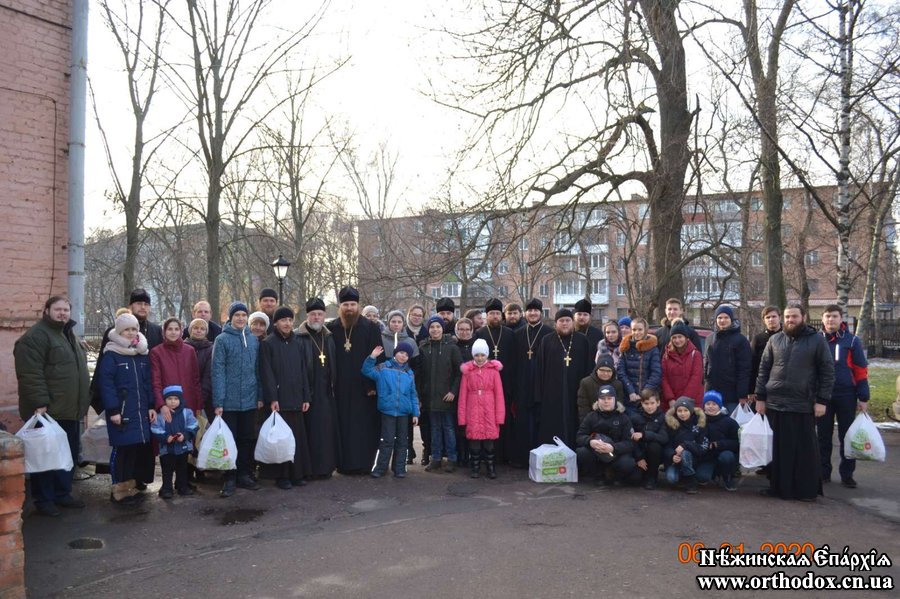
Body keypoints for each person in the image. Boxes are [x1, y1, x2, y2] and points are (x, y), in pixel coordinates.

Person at [14, 296, 91, 516]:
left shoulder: (67, 334)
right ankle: (44, 499)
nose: (63, 313)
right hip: (48, 410)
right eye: (58, 309)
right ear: (46, 310)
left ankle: (62, 493)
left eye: (66, 309)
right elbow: (30, 373)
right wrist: (40, 402)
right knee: (45, 455)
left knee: (64, 455)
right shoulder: (35, 337)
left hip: (69, 408)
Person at [755, 304, 834, 502]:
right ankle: (778, 488)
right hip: (775, 403)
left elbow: (827, 371)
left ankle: (805, 491)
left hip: (802, 404)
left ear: (803, 317)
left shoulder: (816, 340)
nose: (790, 320)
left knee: (803, 450)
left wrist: (822, 401)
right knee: (779, 450)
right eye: (788, 316)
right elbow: (763, 370)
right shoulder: (775, 340)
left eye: (794, 316)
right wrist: (760, 397)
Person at [98, 313, 155, 504]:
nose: (131, 333)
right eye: (127, 329)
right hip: (121, 411)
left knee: (134, 450)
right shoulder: (112, 354)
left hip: (139, 411)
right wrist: (113, 410)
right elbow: (106, 384)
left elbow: (147, 383)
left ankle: (129, 487)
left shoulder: (141, 353)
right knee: (121, 450)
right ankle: (118, 490)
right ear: (119, 331)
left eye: (134, 329)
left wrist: (151, 406)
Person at [327, 286, 383, 475]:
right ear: (340, 306)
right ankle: (342, 464)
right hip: (340, 387)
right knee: (342, 425)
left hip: (364, 388)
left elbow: (379, 360)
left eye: (352, 304)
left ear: (358, 306)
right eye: (345, 304)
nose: (349, 308)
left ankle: (364, 464)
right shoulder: (332, 328)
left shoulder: (371, 328)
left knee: (363, 426)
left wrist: (372, 385)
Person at [259, 306, 313, 489]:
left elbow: (303, 370)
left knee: (297, 437)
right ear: (276, 323)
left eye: (290, 320)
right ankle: (282, 476)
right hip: (279, 401)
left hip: (297, 398)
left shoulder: (298, 342)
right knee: (281, 439)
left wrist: (306, 396)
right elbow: (267, 373)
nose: (287, 323)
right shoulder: (268, 343)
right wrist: (273, 398)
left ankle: (297, 474)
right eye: (283, 320)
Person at [212, 302, 263, 497]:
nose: (241, 318)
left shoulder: (253, 340)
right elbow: (218, 371)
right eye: (237, 315)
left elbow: (257, 370)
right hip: (229, 402)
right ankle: (229, 477)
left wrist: (260, 395)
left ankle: (244, 473)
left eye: (243, 315)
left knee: (246, 439)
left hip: (249, 400)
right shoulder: (222, 340)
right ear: (231, 318)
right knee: (229, 440)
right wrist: (219, 401)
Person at [818, 304, 869, 488]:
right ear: (823, 319)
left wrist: (863, 397)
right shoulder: (816, 340)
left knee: (847, 436)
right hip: (822, 396)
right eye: (827, 316)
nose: (830, 320)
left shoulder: (852, 341)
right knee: (822, 437)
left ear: (841, 319)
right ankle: (823, 472)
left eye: (834, 316)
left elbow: (861, 370)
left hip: (846, 395)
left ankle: (847, 474)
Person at [534, 309, 593, 447]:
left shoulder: (582, 340)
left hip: (576, 391)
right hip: (551, 393)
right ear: (556, 324)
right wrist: (539, 395)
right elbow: (540, 369)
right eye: (561, 321)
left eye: (568, 320)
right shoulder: (547, 340)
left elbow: (588, 367)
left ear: (573, 323)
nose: (565, 324)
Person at [362, 342, 419, 478]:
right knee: (386, 441)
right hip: (388, 410)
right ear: (395, 353)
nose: (403, 356)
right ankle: (380, 468)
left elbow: (413, 394)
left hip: (403, 412)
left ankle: (399, 468)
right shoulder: (383, 368)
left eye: (406, 355)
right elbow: (366, 371)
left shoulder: (409, 373)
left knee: (402, 441)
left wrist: (416, 413)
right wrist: (372, 357)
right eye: (401, 353)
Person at [298, 298, 340, 478]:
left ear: (324, 316)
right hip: (308, 392)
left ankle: (325, 468)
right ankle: (311, 470)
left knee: (325, 432)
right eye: (313, 314)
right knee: (310, 433)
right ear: (307, 315)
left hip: (326, 392)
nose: (316, 317)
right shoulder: (298, 336)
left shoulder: (328, 336)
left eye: (320, 314)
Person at [474, 298, 518, 463]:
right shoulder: (480, 334)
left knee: (503, 418)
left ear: (502, 316)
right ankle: (487, 455)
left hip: (505, 384)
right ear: (487, 315)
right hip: (484, 387)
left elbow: (514, 360)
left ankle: (503, 455)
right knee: (486, 419)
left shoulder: (510, 334)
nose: (494, 316)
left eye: (497, 313)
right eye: (491, 313)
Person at [418, 316, 462, 472]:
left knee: (449, 428)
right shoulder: (423, 347)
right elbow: (420, 374)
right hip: (430, 397)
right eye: (432, 327)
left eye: (438, 326)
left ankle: (452, 459)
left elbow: (459, 373)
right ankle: (435, 458)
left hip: (447, 397)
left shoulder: (452, 347)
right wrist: (420, 397)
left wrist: (453, 391)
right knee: (434, 428)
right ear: (428, 329)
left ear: (443, 328)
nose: (435, 330)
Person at [458, 339, 506, 479]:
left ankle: (491, 468)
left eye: (482, 355)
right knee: (474, 441)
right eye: (477, 355)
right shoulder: (468, 372)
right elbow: (462, 396)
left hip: (489, 410)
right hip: (472, 410)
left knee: (489, 441)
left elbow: (499, 395)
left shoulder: (494, 371)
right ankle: (475, 468)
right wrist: (462, 417)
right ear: (473, 355)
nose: (480, 358)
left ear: (487, 355)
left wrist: (499, 416)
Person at [513, 298, 552, 462]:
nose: (533, 313)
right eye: (530, 310)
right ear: (525, 313)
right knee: (522, 423)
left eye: (536, 310)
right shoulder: (518, 334)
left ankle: (539, 459)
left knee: (540, 422)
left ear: (540, 313)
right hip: (522, 384)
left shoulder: (549, 333)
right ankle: (522, 458)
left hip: (542, 384)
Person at [575, 385, 635, 486]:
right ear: (598, 400)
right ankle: (598, 475)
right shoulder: (591, 416)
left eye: (609, 398)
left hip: (615, 454)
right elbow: (579, 436)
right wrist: (590, 442)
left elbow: (630, 443)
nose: (606, 401)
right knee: (581, 453)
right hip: (597, 453)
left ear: (615, 400)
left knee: (628, 463)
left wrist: (613, 447)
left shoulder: (623, 418)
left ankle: (616, 476)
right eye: (602, 398)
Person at [151, 385, 199, 499]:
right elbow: (155, 428)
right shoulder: (160, 415)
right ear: (165, 400)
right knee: (167, 470)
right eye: (169, 399)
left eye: (176, 399)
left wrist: (185, 435)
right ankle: (167, 488)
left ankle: (182, 487)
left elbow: (194, 425)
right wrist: (165, 437)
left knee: (182, 469)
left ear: (181, 399)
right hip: (166, 450)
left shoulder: (187, 412)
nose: (173, 402)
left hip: (183, 448)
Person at [150, 318, 202, 418]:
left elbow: (195, 380)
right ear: (164, 332)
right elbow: (156, 381)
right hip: (169, 405)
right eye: (170, 329)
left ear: (181, 332)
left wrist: (198, 405)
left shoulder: (190, 350)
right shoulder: (156, 352)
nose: (173, 332)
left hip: (189, 403)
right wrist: (161, 404)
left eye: (176, 329)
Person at [704, 305, 752, 415]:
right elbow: (706, 364)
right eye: (720, 318)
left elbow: (744, 369)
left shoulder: (740, 340)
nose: (722, 320)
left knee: (732, 426)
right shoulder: (710, 338)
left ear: (731, 319)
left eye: (726, 317)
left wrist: (742, 394)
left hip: (732, 394)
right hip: (713, 392)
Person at [616, 318, 662, 414]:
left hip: (647, 398)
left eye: (640, 329)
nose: (637, 333)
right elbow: (621, 371)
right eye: (634, 330)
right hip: (629, 396)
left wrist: (645, 392)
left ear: (645, 330)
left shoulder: (653, 349)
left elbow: (656, 373)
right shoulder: (625, 348)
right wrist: (631, 391)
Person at [695, 390, 739, 491]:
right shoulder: (698, 420)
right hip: (706, 456)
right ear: (704, 406)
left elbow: (737, 443)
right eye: (708, 404)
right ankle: (714, 473)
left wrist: (719, 444)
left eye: (714, 404)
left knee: (727, 457)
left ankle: (728, 477)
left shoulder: (730, 422)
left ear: (720, 405)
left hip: (723, 453)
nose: (711, 406)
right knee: (702, 478)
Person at [664, 396, 708, 494]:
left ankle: (690, 479)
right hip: (676, 461)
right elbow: (666, 445)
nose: (683, 414)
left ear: (691, 411)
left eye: (686, 410)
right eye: (680, 411)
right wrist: (672, 456)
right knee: (671, 479)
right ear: (676, 411)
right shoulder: (671, 424)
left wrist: (685, 445)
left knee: (685, 453)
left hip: (694, 459)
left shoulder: (700, 424)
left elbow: (703, 448)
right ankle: (682, 475)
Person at [629, 390, 668, 489]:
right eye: (646, 403)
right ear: (642, 403)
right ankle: (642, 473)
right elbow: (630, 439)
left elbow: (664, 438)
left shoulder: (663, 418)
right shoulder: (634, 417)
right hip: (639, 453)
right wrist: (639, 457)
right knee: (634, 479)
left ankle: (652, 476)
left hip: (655, 454)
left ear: (658, 403)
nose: (649, 406)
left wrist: (644, 435)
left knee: (654, 446)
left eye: (652, 403)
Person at [661, 320, 704, 409]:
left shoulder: (695, 354)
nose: (677, 340)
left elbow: (696, 378)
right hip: (671, 403)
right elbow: (663, 377)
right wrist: (670, 398)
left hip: (691, 402)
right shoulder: (666, 355)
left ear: (686, 338)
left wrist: (683, 400)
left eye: (680, 337)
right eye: (674, 337)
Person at [577, 354, 625, 421]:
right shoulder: (586, 383)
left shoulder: (618, 384)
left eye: (608, 371)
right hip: (592, 422)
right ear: (596, 370)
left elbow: (619, 405)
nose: (605, 373)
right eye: (602, 370)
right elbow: (583, 408)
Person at [749, 306, 782, 400]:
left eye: (774, 316)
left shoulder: (787, 336)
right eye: (768, 317)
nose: (771, 319)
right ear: (764, 320)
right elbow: (753, 364)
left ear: (780, 317)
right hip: (763, 384)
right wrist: (751, 390)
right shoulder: (758, 339)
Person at [185, 318, 214, 423]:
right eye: (195, 328)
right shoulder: (183, 347)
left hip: (205, 397)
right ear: (190, 330)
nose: (198, 330)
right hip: (185, 394)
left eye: (202, 329)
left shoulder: (211, 349)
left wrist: (201, 399)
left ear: (206, 332)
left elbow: (208, 376)